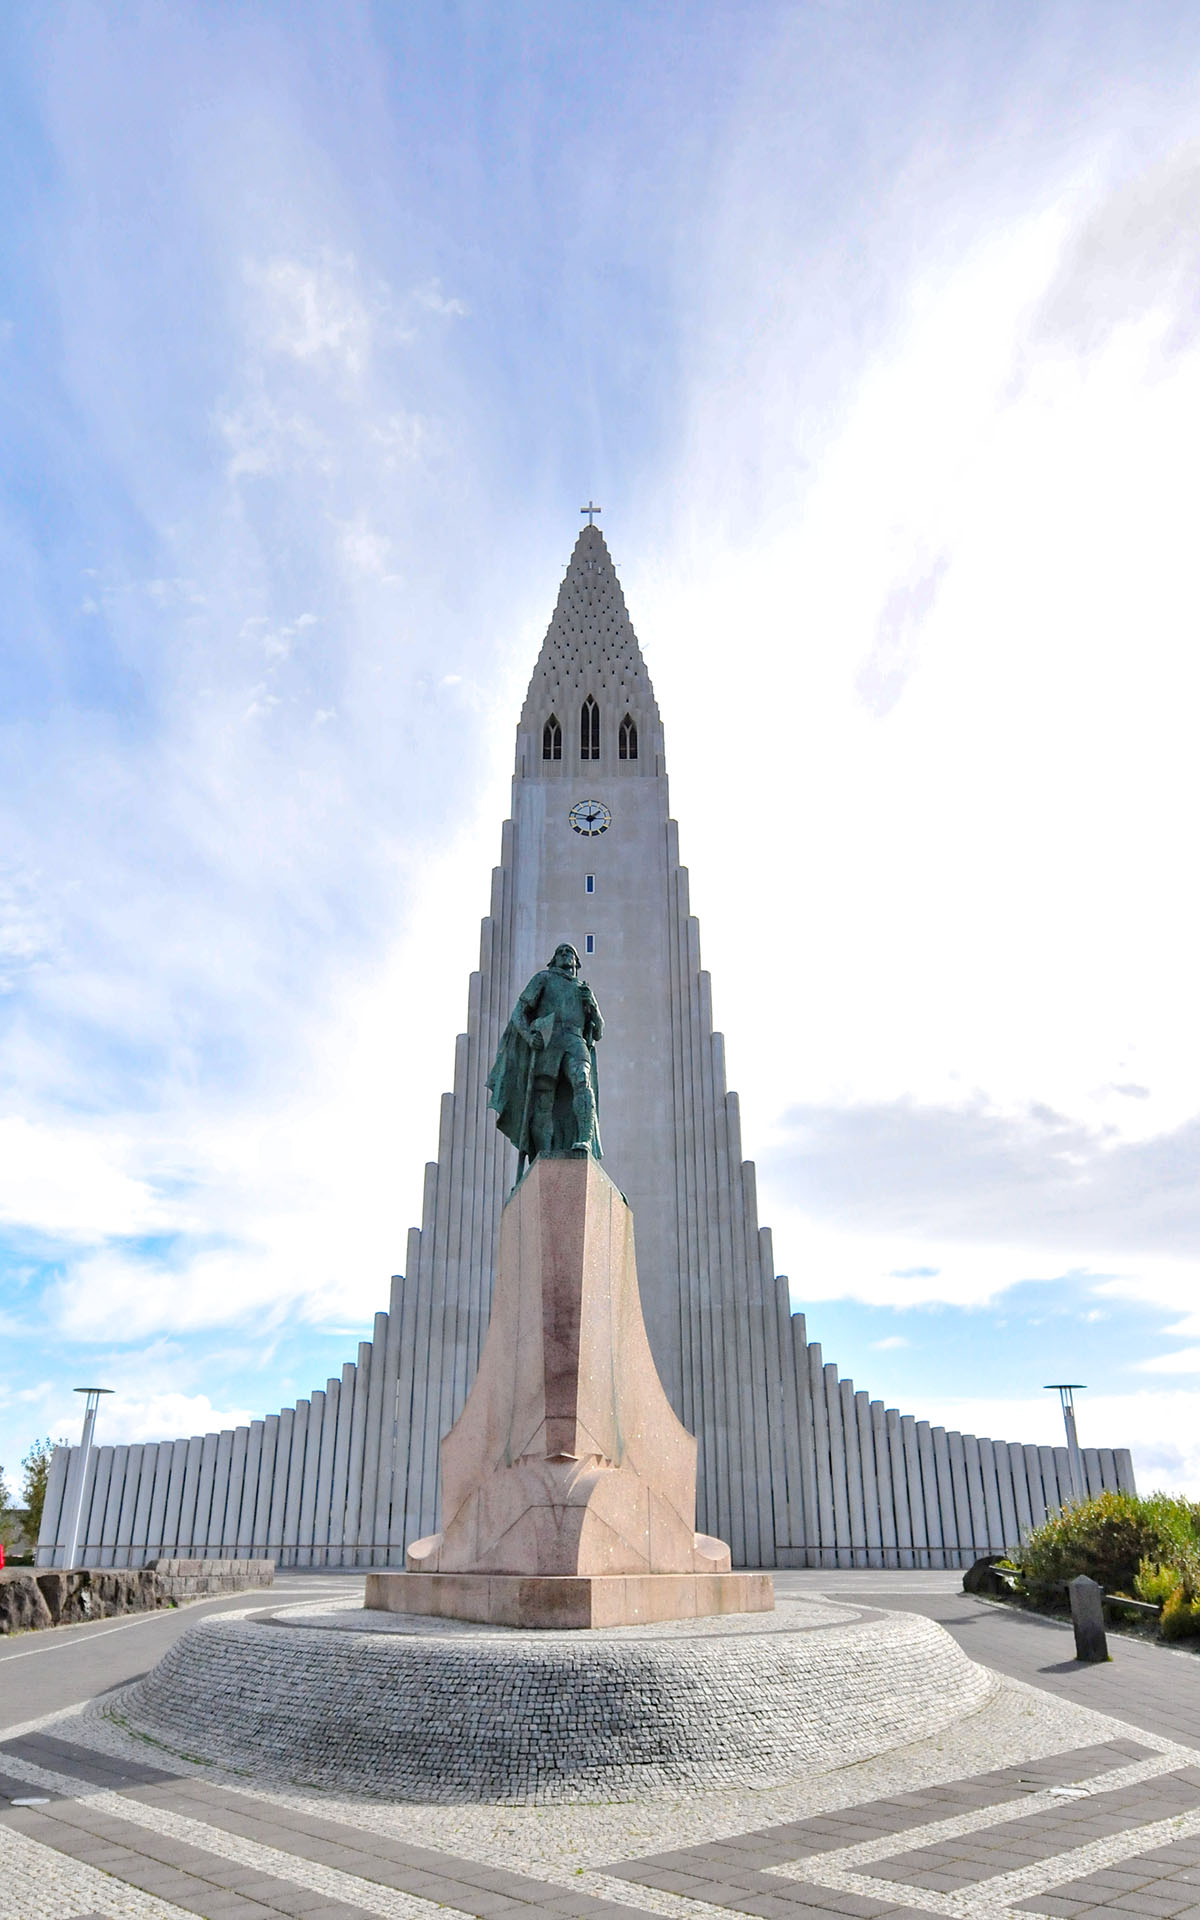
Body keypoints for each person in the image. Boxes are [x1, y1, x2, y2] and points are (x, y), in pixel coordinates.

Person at [487, 943, 603, 1172]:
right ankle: (543, 1155)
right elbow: (519, 1012)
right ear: (553, 960)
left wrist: (593, 1005)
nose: (565, 955)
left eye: (569, 952)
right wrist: (529, 1036)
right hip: (549, 1041)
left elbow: (598, 1031)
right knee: (544, 1101)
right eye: (560, 952)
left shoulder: (583, 990)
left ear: (576, 963)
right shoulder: (544, 978)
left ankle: (585, 1140)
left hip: (575, 1040)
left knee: (582, 1080)